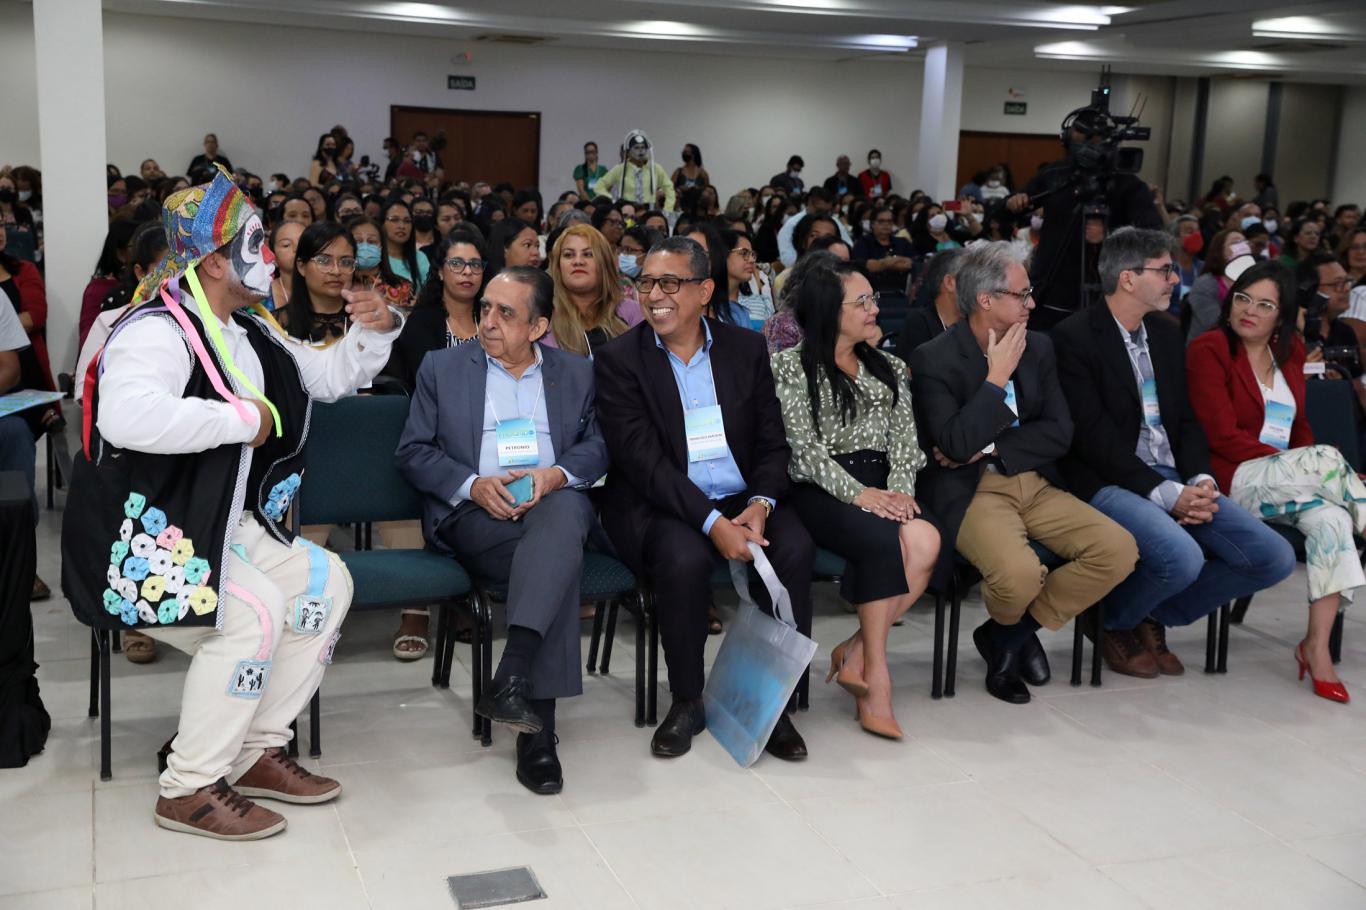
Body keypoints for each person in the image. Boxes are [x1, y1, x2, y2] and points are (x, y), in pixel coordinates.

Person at [62, 167, 402, 840]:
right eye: (256, 242)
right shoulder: (156, 330)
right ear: (215, 261)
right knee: (252, 615)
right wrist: (242, 419)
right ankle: (188, 786)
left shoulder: (251, 330)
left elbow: (327, 377)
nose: (271, 256)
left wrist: (376, 329)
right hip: (142, 539)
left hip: (220, 525)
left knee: (324, 582)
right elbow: (126, 417)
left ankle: (252, 749)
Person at [594, 237, 813, 760]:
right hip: (661, 502)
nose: (654, 295)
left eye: (670, 283)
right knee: (684, 557)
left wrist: (760, 504)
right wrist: (713, 523)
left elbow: (773, 441)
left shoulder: (745, 349)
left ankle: (771, 701)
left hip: (742, 496)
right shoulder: (619, 359)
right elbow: (644, 463)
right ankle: (687, 699)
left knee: (794, 548)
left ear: (704, 290)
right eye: (646, 283)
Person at [395, 266, 606, 792]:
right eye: (485, 308)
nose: (488, 321)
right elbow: (413, 452)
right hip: (475, 516)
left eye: (505, 313)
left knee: (560, 520)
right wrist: (472, 486)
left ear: (538, 327)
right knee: (557, 561)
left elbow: (600, 446)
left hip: (551, 504)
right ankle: (528, 710)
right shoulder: (442, 367)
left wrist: (554, 475)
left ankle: (524, 701)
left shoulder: (576, 372)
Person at [1053, 228, 1295, 677]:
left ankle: (1145, 613)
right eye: (1164, 270)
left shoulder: (1165, 333)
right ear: (1128, 278)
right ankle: (1110, 619)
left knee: (1272, 556)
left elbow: (1185, 421)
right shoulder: (1075, 337)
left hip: (1174, 476)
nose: (1174, 279)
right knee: (1182, 557)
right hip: (1108, 479)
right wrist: (1166, 493)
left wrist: (1201, 479)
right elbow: (1092, 439)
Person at [909, 242, 1138, 704]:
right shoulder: (933, 358)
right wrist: (996, 379)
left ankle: (1007, 635)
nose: (1031, 304)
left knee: (1118, 550)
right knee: (1019, 576)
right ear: (985, 299)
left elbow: (1060, 431)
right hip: (971, 491)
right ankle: (1012, 636)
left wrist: (989, 446)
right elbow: (953, 446)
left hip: (1033, 479)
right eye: (1022, 294)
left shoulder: (1039, 346)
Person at [772, 259, 942, 739]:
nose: (874, 309)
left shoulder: (889, 366)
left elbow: (905, 442)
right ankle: (877, 680)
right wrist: (862, 494)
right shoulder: (790, 366)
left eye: (873, 299)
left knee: (927, 541)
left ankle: (857, 652)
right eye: (862, 301)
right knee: (882, 543)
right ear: (830, 310)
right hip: (822, 486)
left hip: (884, 483)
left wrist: (900, 493)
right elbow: (803, 451)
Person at [1187, 261, 1364, 703]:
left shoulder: (1291, 352)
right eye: (1243, 298)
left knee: (1333, 522)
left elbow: (1299, 425)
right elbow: (1221, 435)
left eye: (1264, 305)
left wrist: (1303, 465)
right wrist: (1302, 463)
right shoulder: (1209, 348)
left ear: (1282, 315)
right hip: (1235, 478)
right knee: (1327, 458)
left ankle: (1315, 649)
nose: (1250, 310)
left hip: (1288, 483)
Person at [1005, 106, 1163, 331]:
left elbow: (1154, 236)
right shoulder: (1055, 174)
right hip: (1048, 291)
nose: (1087, 148)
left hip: (1106, 293)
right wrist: (1014, 202)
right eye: (1081, 139)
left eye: (1093, 141)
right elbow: (1009, 207)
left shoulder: (1127, 185)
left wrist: (1109, 236)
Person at [383, 228, 486, 393]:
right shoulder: (421, 322)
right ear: (440, 272)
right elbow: (430, 382)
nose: (468, 271)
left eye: (475, 264)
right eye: (456, 263)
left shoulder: (491, 319)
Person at [543, 224, 643, 356]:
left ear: (604, 263)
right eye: (568, 255)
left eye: (588, 254)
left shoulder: (634, 312)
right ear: (558, 266)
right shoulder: (542, 317)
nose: (578, 261)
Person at [274, 222, 357, 346]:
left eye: (346, 262)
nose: (336, 271)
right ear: (301, 266)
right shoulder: (273, 326)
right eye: (323, 261)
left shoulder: (366, 322)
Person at [895, 249, 962, 362]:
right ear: (950, 283)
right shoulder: (918, 323)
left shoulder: (974, 320)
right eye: (970, 277)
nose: (976, 284)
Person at [79, 220, 138, 349]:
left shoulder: (143, 288)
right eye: (136, 246)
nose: (143, 252)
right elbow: (89, 341)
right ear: (121, 254)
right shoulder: (98, 290)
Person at [1185, 229, 1246, 341]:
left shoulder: (1251, 282)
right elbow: (1214, 322)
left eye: (1244, 242)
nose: (1242, 246)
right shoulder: (1205, 283)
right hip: (1207, 345)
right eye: (1235, 242)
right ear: (1219, 251)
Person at [347, 215, 415, 313]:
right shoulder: (340, 284)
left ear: (382, 247)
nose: (365, 246)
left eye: (371, 241)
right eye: (358, 241)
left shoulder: (403, 287)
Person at [594, 130, 675, 210]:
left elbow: (669, 189)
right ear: (629, 151)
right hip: (627, 210)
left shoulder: (655, 168)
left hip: (649, 210)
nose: (640, 151)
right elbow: (599, 186)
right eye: (636, 148)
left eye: (643, 147)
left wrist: (668, 209)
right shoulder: (621, 168)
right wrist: (612, 200)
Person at [854, 208, 914, 307]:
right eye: (881, 221)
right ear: (872, 224)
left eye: (889, 221)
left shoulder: (902, 242)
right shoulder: (863, 243)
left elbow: (909, 264)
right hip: (872, 294)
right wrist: (896, 261)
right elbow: (866, 266)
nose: (886, 225)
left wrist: (883, 263)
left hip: (901, 293)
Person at [777, 188, 852, 268]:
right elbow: (788, 258)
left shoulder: (833, 221)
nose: (824, 214)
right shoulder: (792, 224)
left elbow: (847, 245)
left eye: (827, 211)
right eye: (820, 210)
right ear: (810, 204)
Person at [726, 229, 773, 329]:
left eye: (752, 254)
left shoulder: (757, 303)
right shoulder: (706, 303)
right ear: (723, 254)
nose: (751, 260)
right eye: (744, 253)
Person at [380, 198, 429, 286]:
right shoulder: (375, 257)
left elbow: (430, 290)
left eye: (407, 221)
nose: (402, 226)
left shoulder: (420, 258)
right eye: (394, 220)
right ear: (382, 224)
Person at [265, 220, 304, 312]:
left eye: (302, 242)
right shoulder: (260, 296)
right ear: (273, 257)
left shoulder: (327, 291)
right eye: (286, 245)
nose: (296, 249)